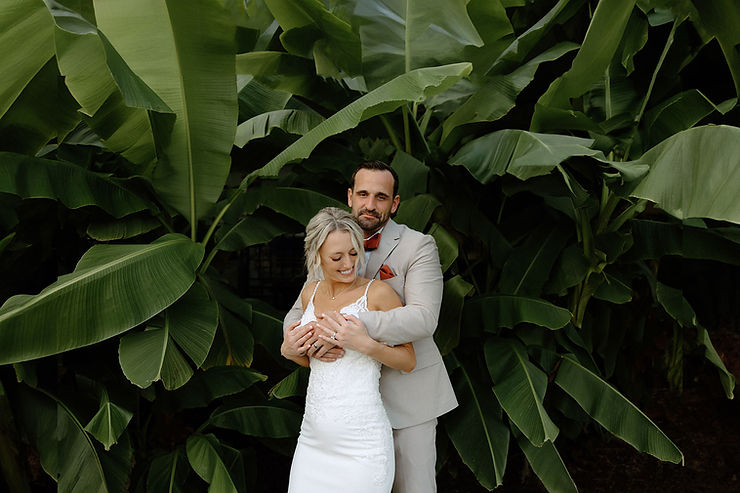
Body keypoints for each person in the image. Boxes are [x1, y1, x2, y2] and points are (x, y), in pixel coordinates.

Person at [283, 161, 458, 493]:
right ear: (350, 197)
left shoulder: (418, 246)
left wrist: (350, 322)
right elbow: (300, 311)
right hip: (340, 410)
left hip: (409, 398)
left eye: (381, 196)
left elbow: (424, 318)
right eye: (363, 194)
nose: (370, 204)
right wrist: (290, 341)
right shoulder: (328, 242)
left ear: (394, 203)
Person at [282, 206, 416, 493]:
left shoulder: (379, 294)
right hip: (312, 441)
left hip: (362, 447)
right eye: (337, 257)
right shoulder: (310, 293)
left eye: (354, 253)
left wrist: (364, 344)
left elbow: (408, 360)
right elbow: (313, 362)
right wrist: (290, 350)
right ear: (316, 256)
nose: (349, 264)